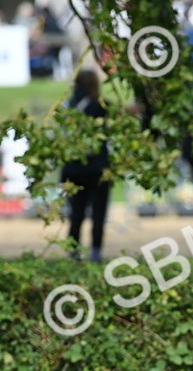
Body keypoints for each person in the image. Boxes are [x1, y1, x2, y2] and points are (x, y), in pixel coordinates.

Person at [61, 68, 111, 262]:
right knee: (98, 213)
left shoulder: (68, 106)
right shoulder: (100, 106)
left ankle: (73, 253)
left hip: (73, 169)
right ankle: (96, 253)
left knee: (76, 214)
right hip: (97, 169)